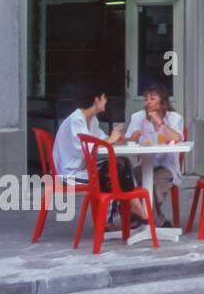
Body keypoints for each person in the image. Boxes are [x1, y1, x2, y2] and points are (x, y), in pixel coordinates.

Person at [54, 82, 148, 227]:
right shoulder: (76, 120)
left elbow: (102, 140)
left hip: (83, 167)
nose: (106, 101)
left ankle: (130, 211)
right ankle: (132, 211)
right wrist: (111, 140)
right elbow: (90, 147)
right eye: (104, 98)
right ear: (96, 100)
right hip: (71, 172)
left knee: (121, 162)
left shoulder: (92, 120)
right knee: (114, 170)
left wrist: (123, 139)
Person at [125, 83, 185, 228]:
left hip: (166, 166)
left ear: (162, 101)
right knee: (130, 182)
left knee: (154, 186)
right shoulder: (137, 117)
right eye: (145, 99)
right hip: (144, 165)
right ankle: (159, 221)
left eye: (152, 98)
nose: (148, 102)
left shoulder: (174, 118)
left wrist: (160, 123)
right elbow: (128, 140)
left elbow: (177, 138)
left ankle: (140, 217)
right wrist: (130, 138)